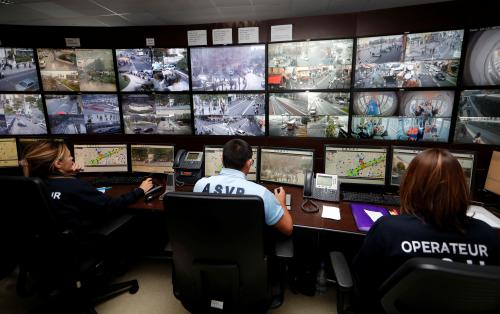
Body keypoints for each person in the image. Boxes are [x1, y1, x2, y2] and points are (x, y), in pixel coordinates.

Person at [352, 148, 500, 313]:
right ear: (462, 187)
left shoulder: (388, 229)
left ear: (410, 184)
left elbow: (362, 278)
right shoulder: (487, 234)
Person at [21, 141, 153, 234]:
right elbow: (112, 204)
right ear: (58, 164)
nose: (72, 157)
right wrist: (140, 190)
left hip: (50, 241)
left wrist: (72, 174)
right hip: (81, 237)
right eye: (69, 155)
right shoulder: (75, 186)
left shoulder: (31, 185)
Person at [193, 139, 293, 236]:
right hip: (247, 250)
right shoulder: (261, 194)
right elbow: (288, 229)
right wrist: (281, 203)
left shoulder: (200, 185)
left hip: (209, 246)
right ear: (249, 163)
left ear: (222, 160)